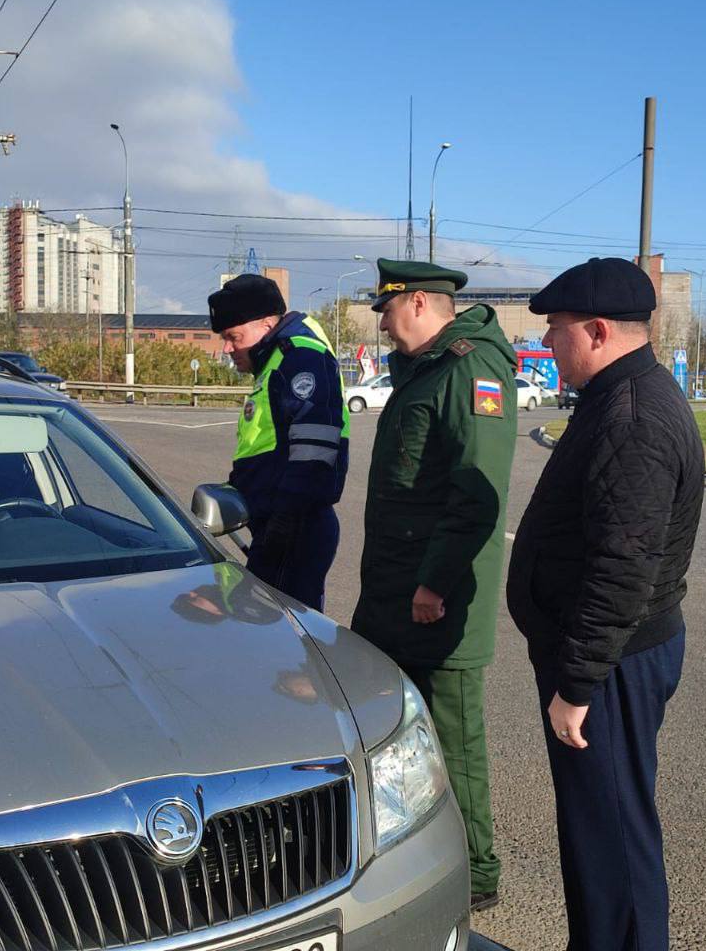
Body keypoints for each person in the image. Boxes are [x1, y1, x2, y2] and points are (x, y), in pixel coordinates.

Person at [507, 257, 705, 951]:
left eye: (555, 331)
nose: (548, 345)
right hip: (610, 658)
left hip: (610, 665)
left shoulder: (630, 416)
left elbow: (623, 567)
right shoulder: (621, 395)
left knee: (613, 839)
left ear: (595, 331)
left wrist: (577, 683)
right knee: (601, 832)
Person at [350, 258, 517, 912]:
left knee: (453, 736)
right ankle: (408, 849)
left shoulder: (471, 371)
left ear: (418, 302)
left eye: (387, 310)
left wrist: (434, 584)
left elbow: (478, 496)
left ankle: (476, 873)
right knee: (394, 732)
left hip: (438, 600)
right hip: (396, 590)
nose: (383, 325)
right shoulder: (427, 372)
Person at [208, 273, 349, 610]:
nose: (228, 348)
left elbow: (313, 453)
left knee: (283, 644)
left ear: (267, 325)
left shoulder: (300, 358)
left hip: (294, 530)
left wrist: (283, 528)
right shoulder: (275, 360)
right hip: (279, 528)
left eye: (233, 336)